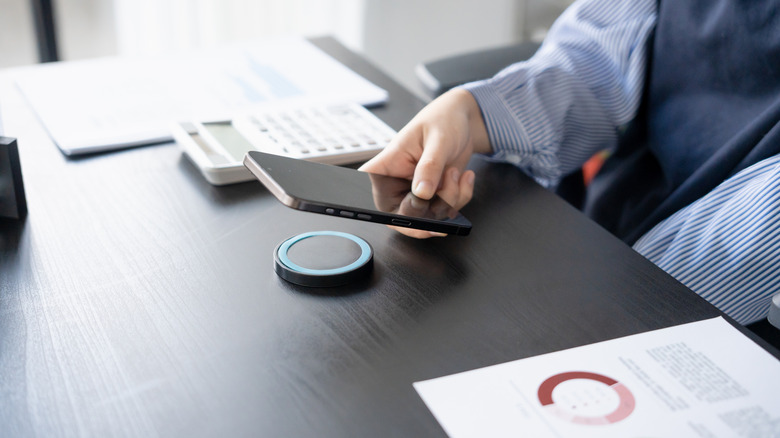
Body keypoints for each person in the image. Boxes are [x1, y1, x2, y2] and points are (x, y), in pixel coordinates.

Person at [361, 0, 780, 327]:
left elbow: (737, 264)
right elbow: (598, 60)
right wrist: (472, 115)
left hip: (707, 320)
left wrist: (610, 304)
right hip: (599, 240)